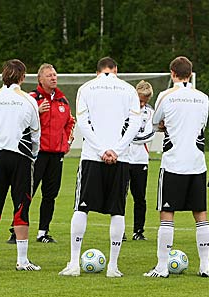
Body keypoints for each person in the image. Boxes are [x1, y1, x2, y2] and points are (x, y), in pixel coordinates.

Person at [59, 57, 141, 277]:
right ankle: (113, 267)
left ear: (98, 71)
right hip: (120, 158)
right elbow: (134, 124)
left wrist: (101, 150)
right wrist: (117, 150)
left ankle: (74, 263)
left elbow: (83, 123)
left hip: (91, 158)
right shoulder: (128, 89)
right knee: (118, 210)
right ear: (116, 70)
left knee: (81, 208)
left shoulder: (86, 88)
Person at [144, 56, 209, 278]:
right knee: (200, 214)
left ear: (172, 73)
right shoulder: (203, 97)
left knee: (166, 213)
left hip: (173, 162)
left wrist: (167, 124)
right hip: (197, 163)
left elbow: (155, 122)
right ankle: (205, 266)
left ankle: (162, 267)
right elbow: (201, 125)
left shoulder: (166, 95)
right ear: (190, 74)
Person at [0, 59, 41, 271]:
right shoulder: (28, 100)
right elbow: (35, 134)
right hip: (21, 157)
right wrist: (33, 155)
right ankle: (22, 260)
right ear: (22, 77)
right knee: (21, 206)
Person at [7, 63, 74, 244]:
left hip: (56, 155)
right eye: (49, 75)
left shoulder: (63, 100)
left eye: (55, 75)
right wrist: (37, 111)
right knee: (27, 192)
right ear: (40, 79)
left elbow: (69, 123)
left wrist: (66, 142)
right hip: (36, 155)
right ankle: (16, 230)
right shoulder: (31, 98)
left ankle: (43, 232)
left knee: (50, 195)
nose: (53, 78)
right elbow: (19, 121)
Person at [127, 80, 155, 241]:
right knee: (120, 196)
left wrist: (131, 136)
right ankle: (119, 230)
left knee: (139, 197)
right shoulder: (125, 109)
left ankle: (138, 231)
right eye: (140, 99)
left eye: (145, 101)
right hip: (123, 158)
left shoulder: (150, 113)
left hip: (140, 160)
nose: (142, 103)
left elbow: (149, 134)